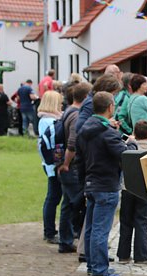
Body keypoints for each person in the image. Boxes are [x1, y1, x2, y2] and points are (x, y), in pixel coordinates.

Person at [76, 91, 135, 276]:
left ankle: (93, 265)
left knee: (92, 228)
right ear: (110, 107)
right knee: (101, 229)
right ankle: (100, 268)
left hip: (91, 183)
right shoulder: (107, 133)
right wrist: (131, 144)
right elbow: (124, 155)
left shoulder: (85, 128)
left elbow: (80, 160)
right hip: (106, 185)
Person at [37, 90, 75, 250]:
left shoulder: (50, 119)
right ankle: (50, 231)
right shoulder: (48, 121)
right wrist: (57, 163)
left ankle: (52, 230)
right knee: (53, 197)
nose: (61, 105)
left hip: (52, 164)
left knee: (54, 196)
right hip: (53, 165)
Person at [59, 81, 91, 252]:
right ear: (86, 97)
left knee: (67, 203)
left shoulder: (67, 112)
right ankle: (69, 239)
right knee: (74, 204)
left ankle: (65, 240)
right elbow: (72, 143)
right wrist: (66, 163)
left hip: (67, 165)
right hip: (72, 165)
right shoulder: (77, 115)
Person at [117, 120, 147, 266]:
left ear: (134, 133)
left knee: (125, 222)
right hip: (145, 191)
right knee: (141, 222)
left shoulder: (127, 149)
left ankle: (123, 255)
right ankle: (141, 256)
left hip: (127, 188)